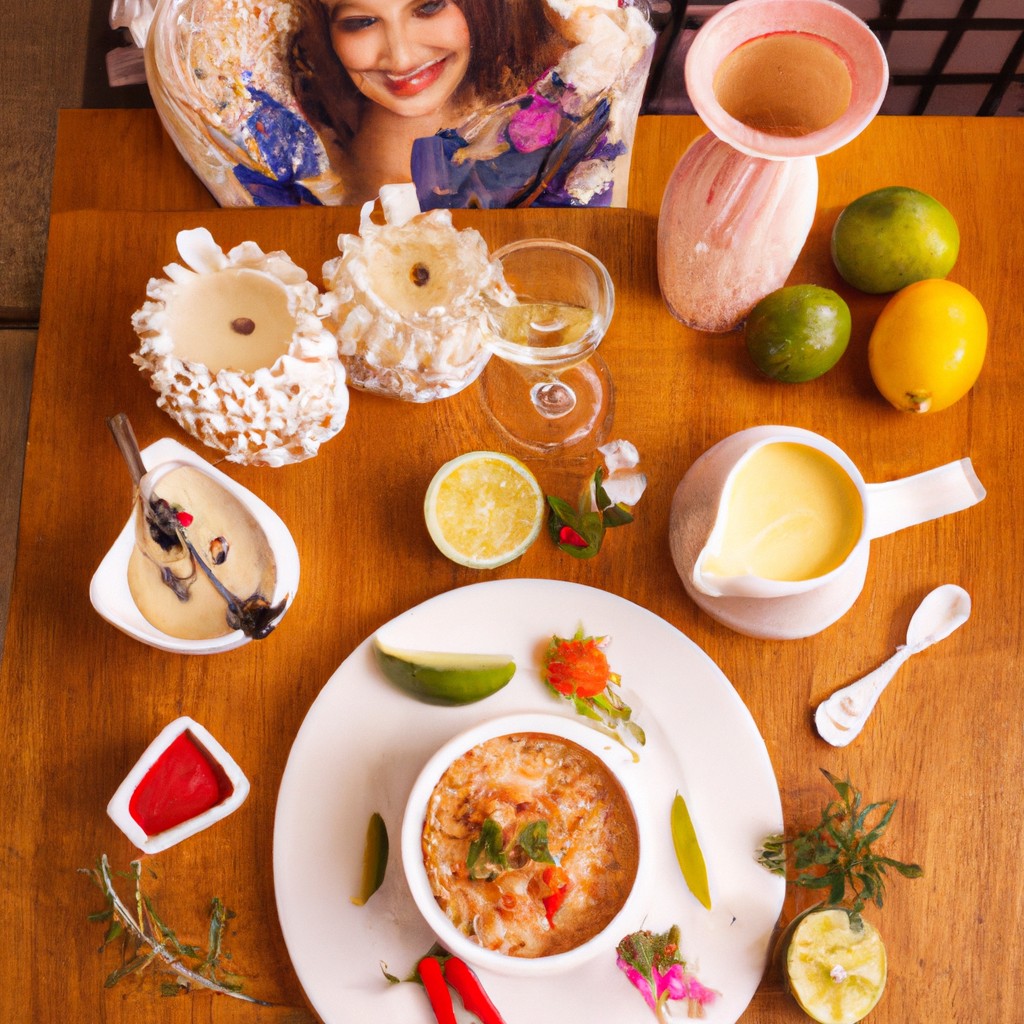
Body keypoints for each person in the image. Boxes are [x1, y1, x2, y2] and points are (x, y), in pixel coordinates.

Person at [293, 0, 565, 203]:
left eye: (429, 7)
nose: (402, 59)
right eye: (361, 22)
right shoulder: (312, 156)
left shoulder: (573, 91)